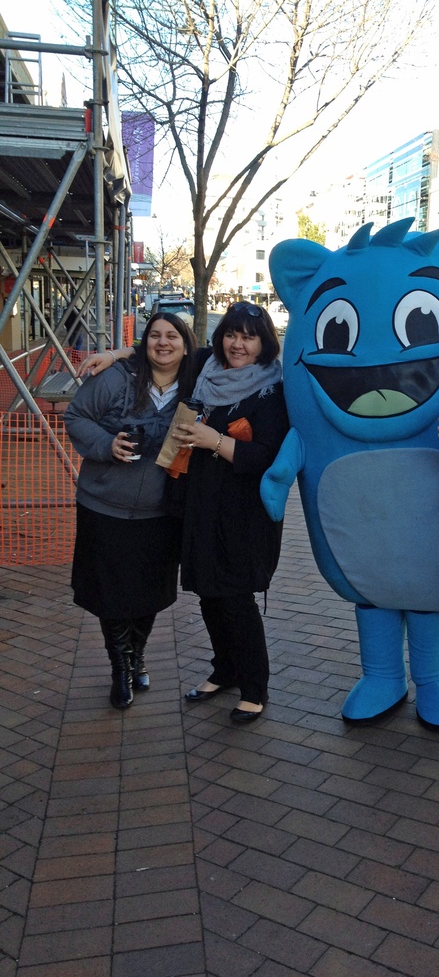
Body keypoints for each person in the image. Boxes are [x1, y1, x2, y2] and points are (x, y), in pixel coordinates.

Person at [64, 313, 198, 709]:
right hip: (105, 506)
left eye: (172, 336)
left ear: (186, 344)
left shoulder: (195, 381)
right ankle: (120, 668)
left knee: (150, 593)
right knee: (111, 594)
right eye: (154, 335)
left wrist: (118, 349)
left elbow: (235, 353)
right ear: (144, 343)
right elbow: (76, 416)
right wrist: (108, 445)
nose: (163, 343)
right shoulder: (116, 379)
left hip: (161, 511)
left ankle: (137, 655)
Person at [174, 302, 289, 723]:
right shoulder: (206, 370)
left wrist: (212, 440)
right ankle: (224, 669)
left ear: (263, 344)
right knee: (208, 592)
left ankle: (254, 686)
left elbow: (266, 455)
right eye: (231, 334)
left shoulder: (272, 390)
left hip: (243, 512)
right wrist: (114, 354)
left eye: (248, 336)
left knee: (236, 597)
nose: (238, 344)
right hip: (202, 502)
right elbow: (158, 347)